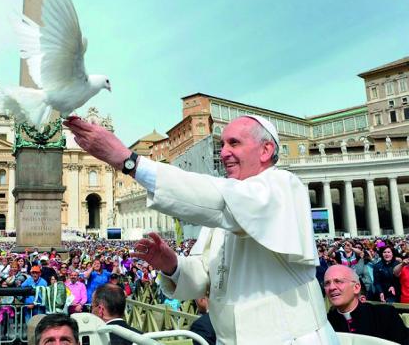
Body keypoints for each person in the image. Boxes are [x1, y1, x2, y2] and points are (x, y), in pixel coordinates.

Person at [65, 115, 337, 344]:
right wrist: (171, 264)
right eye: (222, 144)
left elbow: (219, 198)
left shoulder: (283, 186)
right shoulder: (228, 207)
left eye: (234, 143)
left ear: (266, 150)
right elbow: (204, 278)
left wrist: (129, 161)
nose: (224, 152)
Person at [324, 265, 407, 344]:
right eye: (327, 283)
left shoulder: (385, 315)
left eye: (338, 281)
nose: (331, 287)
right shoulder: (325, 324)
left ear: (356, 288)